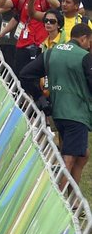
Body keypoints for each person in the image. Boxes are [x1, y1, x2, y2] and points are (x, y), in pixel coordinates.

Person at [20, 24, 92, 187]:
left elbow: (25, 74)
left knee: (82, 155)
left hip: (57, 113)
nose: (89, 46)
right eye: (90, 42)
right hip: (76, 114)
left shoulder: (52, 52)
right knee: (69, 158)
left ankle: (73, 201)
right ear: (83, 38)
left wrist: (40, 98)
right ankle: (59, 201)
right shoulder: (84, 56)